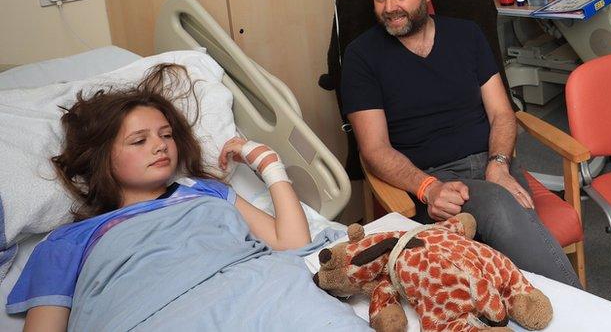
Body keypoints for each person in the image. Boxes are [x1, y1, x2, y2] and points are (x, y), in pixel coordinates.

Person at [8, 64, 368, 331]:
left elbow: (291, 243)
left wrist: (269, 166)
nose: (160, 145)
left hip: (266, 292)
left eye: (165, 135)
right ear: (100, 158)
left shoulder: (205, 192)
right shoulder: (69, 241)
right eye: (139, 140)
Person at [340, 0, 581, 288]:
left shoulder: (466, 34)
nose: (390, 8)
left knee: (501, 219)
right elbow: (374, 149)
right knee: (499, 210)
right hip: (431, 181)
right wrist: (427, 188)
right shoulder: (361, 57)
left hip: (493, 163)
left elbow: (501, 113)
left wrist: (498, 164)